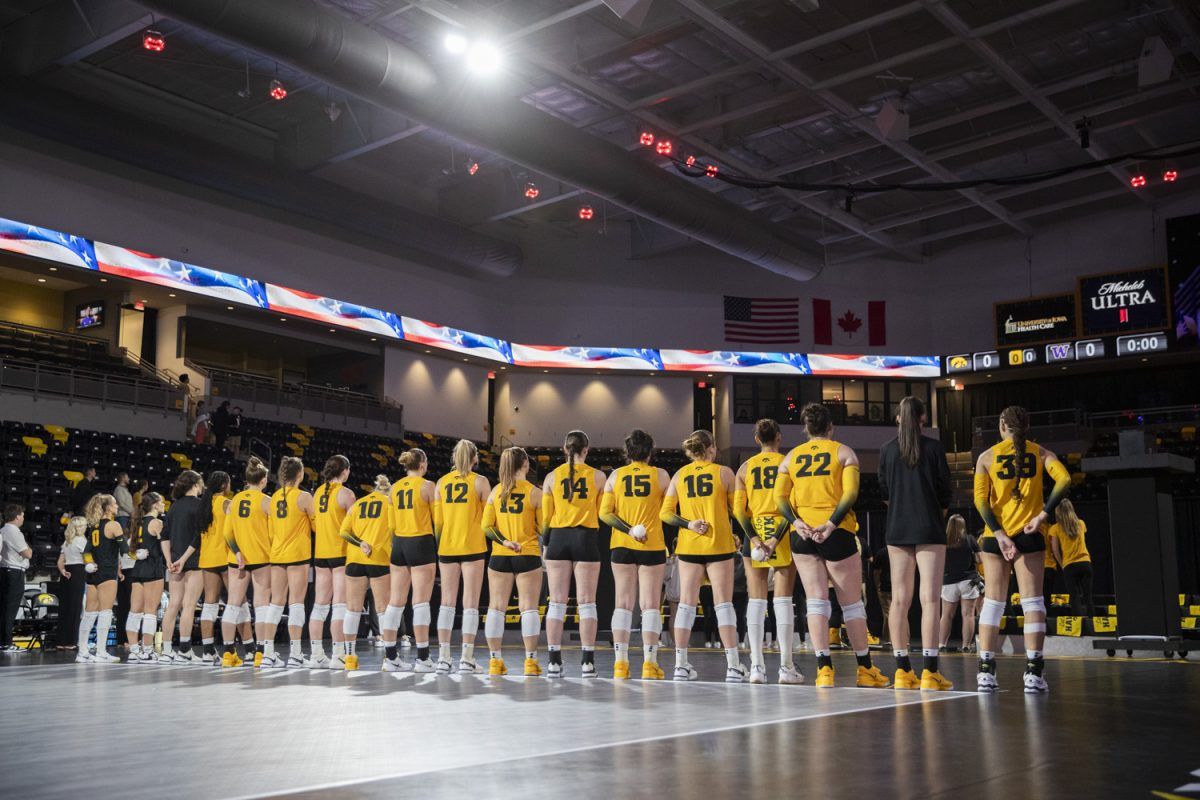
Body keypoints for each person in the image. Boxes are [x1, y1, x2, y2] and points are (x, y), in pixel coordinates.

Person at [776, 404, 888, 689]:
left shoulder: (791, 457)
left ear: (806, 428)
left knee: (815, 601)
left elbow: (780, 498)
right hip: (835, 532)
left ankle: (823, 670)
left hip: (802, 534)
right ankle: (865, 669)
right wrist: (830, 523)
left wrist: (796, 522)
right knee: (851, 605)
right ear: (831, 427)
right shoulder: (844, 452)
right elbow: (851, 494)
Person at [973, 405, 1072, 693]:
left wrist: (1001, 534)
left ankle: (985, 673)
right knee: (1033, 604)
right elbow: (1064, 479)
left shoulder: (986, 457)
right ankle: (1033, 673)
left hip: (995, 537)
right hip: (1029, 535)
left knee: (992, 604)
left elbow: (981, 502)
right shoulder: (1040, 453)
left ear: (1002, 426)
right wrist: (1043, 515)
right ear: (1026, 427)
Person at [877, 396, 954, 691]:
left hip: (897, 528)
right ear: (922, 418)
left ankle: (901, 671)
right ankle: (930, 673)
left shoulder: (886, 450)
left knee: (899, 600)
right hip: (929, 527)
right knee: (930, 600)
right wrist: (934, 513)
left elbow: (884, 491)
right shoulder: (934, 448)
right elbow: (945, 492)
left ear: (899, 418)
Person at [661, 429, 747, 683]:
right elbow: (737, 511)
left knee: (686, 606)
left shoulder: (679, 475)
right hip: (719, 546)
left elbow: (666, 514)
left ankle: (680, 665)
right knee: (724, 605)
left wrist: (688, 524)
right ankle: (733, 666)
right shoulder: (724, 473)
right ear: (711, 448)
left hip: (688, 546)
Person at [733, 419, 802, 685]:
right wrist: (775, 537)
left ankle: (757, 668)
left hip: (756, 529)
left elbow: (739, 510)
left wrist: (753, 537)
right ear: (779, 438)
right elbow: (791, 506)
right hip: (781, 529)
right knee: (783, 599)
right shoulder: (788, 463)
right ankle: (786, 667)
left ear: (757, 440)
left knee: (756, 599)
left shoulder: (745, 467)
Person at [600, 429, 669, 680]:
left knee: (623, 604)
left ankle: (621, 664)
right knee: (650, 605)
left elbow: (605, 514)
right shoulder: (661, 476)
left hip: (622, 544)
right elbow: (668, 510)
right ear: (650, 452)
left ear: (627, 452)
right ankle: (650, 664)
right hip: (652, 544)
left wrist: (628, 529)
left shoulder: (615, 476)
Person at [541, 430, 606, 678]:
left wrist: (546, 545)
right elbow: (601, 513)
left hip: (558, 538)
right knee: (587, 603)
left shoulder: (551, 477)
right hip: (585, 538)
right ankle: (587, 662)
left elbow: (546, 519)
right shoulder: (599, 477)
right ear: (586, 450)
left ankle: (554, 661)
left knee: (556, 603)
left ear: (564, 448)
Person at [482, 447, 544, 677]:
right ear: (525, 465)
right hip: (527, 553)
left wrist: (505, 541)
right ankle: (530, 662)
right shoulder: (534, 492)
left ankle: (495, 662)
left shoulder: (496, 492)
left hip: (500, 555)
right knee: (528, 608)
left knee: (496, 608)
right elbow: (544, 528)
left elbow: (486, 527)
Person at [433, 440, 491, 673]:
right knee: (470, 604)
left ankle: (443, 658)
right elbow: (488, 520)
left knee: (446, 604)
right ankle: (467, 658)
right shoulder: (481, 482)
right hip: (473, 546)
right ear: (475, 459)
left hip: (447, 547)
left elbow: (438, 523)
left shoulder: (441, 482)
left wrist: (442, 544)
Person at [338, 474, 395, 671]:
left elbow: (344, 532)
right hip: (379, 558)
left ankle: (350, 658)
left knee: (352, 609)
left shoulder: (358, 504)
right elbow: (395, 530)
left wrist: (360, 543)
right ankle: (389, 659)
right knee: (383, 609)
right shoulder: (389, 504)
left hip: (355, 559)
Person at [389, 448, 438, 673]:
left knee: (395, 602)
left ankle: (390, 658)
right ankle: (423, 658)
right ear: (422, 464)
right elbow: (438, 522)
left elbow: (391, 525)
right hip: (420, 542)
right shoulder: (428, 486)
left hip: (399, 543)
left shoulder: (395, 487)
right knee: (420, 602)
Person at [222, 458, 273, 668]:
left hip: (237, 559)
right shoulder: (266, 500)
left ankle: (227, 653)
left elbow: (227, 533)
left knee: (232, 605)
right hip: (262, 557)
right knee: (261, 606)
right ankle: (260, 653)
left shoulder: (234, 501)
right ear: (263, 479)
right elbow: (273, 533)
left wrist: (237, 552)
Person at [267, 456, 315, 668]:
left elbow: (270, 531)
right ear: (300, 474)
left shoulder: (274, 496)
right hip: (297, 554)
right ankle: (295, 654)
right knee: (296, 602)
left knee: (275, 603)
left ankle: (267, 653)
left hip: (277, 554)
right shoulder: (304, 497)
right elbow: (317, 526)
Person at [310, 455, 355, 669]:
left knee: (319, 606)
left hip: (320, 553)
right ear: (344, 471)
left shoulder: (317, 492)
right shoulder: (346, 494)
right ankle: (338, 654)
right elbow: (356, 527)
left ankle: (316, 654)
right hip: (340, 553)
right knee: (339, 606)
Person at [159, 470, 207, 664]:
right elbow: (199, 537)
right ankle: (185, 650)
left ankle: (167, 650)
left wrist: (170, 560)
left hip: (175, 562)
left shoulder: (174, 507)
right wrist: (184, 560)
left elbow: (165, 536)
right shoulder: (200, 505)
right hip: (193, 561)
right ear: (195, 484)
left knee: (173, 605)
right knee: (189, 605)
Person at [77, 494, 124, 663]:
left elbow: (86, 552)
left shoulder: (95, 526)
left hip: (93, 572)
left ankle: (82, 652)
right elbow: (125, 549)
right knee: (105, 612)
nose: (117, 506)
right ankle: (101, 652)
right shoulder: (114, 525)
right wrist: (137, 554)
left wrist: (88, 564)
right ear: (108, 508)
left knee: (89, 613)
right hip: (107, 573)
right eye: (115, 504)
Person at [125, 492, 166, 663]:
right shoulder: (157, 523)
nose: (164, 505)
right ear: (155, 505)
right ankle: (148, 650)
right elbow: (165, 546)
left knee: (134, 611)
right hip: (153, 570)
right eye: (162, 502)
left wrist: (136, 555)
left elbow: (129, 548)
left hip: (138, 570)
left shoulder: (138, 522)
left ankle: (134, 650)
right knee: (150, 612)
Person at [197, 471, 233, 664]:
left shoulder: (204, 504)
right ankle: (231, 648)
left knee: (209, 604)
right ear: (224, 485)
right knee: (235, 602)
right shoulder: (227, 503)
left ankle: (208, 650)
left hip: (207, 558)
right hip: (225, 557)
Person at [939, 514, 981, 652]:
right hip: (968, 581)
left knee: (946, 615)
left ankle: (941, 644)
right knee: (968, 615)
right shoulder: (970, 539)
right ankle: (966, 646)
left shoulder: (942, 541)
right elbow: (980, 560)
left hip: (948, 582)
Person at [1050, 499, 1094, 618]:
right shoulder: (1081, 523)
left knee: (1074, 598)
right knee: (1088, 597)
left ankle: (1079, 626)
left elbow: (1054, 550)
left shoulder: (1055, 528)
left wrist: (1062, 564)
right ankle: (1093, 624)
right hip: (1085, 563)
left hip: (1069, 565)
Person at [1, 503, 32, 653]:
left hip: (5, 571)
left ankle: (3, 642)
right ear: (17, 516)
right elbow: (28, 553)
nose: (23, 518)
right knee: (10, 609)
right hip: (14, 572)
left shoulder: (3, 530)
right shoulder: (14, 531)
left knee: (4, 608)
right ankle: (7, 643)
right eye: (23, 515)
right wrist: (29, 547)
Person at [56, 516, 89, 651]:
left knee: (65, 608)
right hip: (78, 572)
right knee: (75, 608)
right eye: (83, 525)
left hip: (67, 574)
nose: (85, 527)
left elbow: (59, 562)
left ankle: (61, 641)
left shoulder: (67, 542)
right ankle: (71, 641)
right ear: (78, 527)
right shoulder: (81, 541)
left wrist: (63, 571)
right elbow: (87, 558)